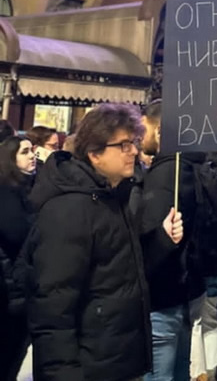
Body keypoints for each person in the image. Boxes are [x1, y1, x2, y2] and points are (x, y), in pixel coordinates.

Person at [26, 103, 183, 381]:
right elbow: (53, 308)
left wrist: (161, 239)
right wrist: (64, 373)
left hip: (117, 360)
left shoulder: (114, 198)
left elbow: (121, 273)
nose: (134, 151)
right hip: (89, 368)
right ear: (95, 153)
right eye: (123, 145)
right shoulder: (70, 209)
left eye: (134, 142)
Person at [140, 100, 208, 381]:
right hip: (186, 289)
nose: (138, 137)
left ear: (158, 132)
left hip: (163, 294)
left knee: (160, 373)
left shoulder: (164, 175)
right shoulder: (191, 169)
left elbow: (155, 236)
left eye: (143, 128)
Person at [0, 135, 36, 381]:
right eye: (25, 151)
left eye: (32, 150)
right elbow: (17, 233)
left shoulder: (26, 188)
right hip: (9, 291)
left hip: (18, 290)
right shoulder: (6, 191)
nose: (33, 155)